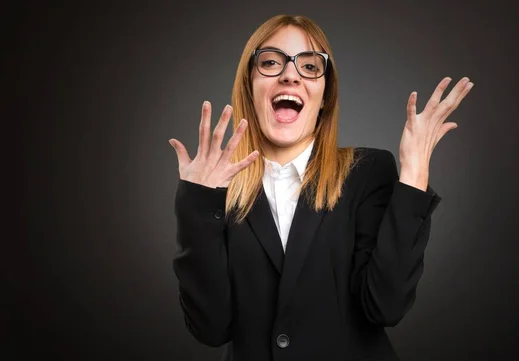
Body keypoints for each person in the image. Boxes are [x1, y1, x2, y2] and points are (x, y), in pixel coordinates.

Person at [168, 14, 473, 361]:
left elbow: (386, 307)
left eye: (310, 67)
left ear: (325, 95)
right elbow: (211, 328)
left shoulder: (367, 172)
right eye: (270, 62)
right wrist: (198, 202)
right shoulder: (219, 191)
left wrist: (415, 173)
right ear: (249, 88)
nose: (290, 74)